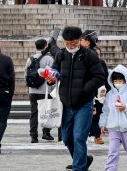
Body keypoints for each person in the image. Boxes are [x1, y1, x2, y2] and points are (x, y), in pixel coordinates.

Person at [44, 25, 105, 171]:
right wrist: (50, 79)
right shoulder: (61, 54)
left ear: (80, 40)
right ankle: (84, 160)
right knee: (66, 138)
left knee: (79, 137)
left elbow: (99, 77)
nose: (70, 46)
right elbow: (54, 72)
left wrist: (84, 90)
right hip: (65, 104)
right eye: (67, 43)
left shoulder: (89, 55)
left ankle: (79, 168)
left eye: (73, 43)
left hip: (84, 103)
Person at [99, 65, 127, 171]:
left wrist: (126, 107)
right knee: (112, 152)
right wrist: (103, 124)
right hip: (113, 129)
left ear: (125, 80)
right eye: (115, 80)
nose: (117, 82)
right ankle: (110, 169)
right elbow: (105, 111)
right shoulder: (109, 95)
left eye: (120, 80)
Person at [81, 31, 108, 146]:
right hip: (86, 92)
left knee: (95, 115)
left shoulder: (100, 63)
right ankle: (89, 134)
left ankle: (96, 135)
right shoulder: (81, 58)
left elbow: (104, 78)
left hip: (97, 93)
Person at [25, 38, 55, 142]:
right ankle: (46, 132)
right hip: (46, 90)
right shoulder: (49, 59)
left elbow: (26, 74)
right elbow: (52, 75)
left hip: (33, 90)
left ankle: (33, 136)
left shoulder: (30, 59)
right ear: (46, 46)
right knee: (47, 111)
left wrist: (29, 87)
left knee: (34, 112)